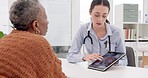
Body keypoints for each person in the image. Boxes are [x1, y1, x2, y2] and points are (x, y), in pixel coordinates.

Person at [0, 0, 67, 78]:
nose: (47, 22)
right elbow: (56, 75)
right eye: (45, 18)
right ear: (35, 25)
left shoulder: (4, 41)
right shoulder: (38, 43)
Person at [67, 0, 127, 66]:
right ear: (90, 12)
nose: (100, 19)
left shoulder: (116, 33)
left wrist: (114, 62)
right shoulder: (83, 30)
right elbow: (70, 56)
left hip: (111, 72)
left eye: (104, 16)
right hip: (92, 71)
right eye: (96, 15)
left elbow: (124, 61)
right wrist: (84, 57)